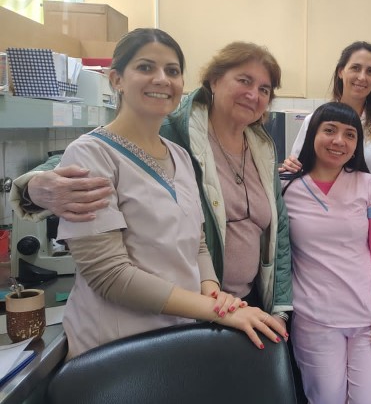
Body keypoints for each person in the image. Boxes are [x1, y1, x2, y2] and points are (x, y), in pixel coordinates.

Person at [12, 41, 292, 340]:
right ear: (214, 80)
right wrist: (33, 184)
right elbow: (92, 154)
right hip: (187, 310)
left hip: (233, 303)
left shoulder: (262, 148)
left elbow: (278, 233)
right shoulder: (178, 130)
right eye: (244, 81)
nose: (254, 94)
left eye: (264, 89)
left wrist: (279, 305)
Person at [281, 102, 371, 403]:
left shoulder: (367, 184)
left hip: (368, 319)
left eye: (350, 134)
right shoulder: (287, 187)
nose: (339, 141)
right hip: (315, 319)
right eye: (329, 130)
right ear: (312, 134)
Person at [281, 41, 371, 176]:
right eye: (355, 68)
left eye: (370, 71)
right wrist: (292, 165)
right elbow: (299, 166)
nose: (362, 77)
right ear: (341, 71)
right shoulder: (314, 120)